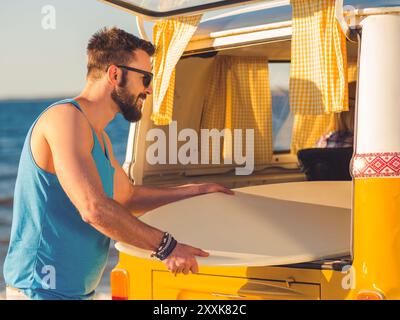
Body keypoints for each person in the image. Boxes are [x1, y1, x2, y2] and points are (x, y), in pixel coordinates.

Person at [3, 27, 234, 300]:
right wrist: (167, 247)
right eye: (145, 78)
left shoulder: (100, 138)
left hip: (77, 292)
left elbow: (127, 198)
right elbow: (94, 208)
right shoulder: (64, 119)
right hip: (39, 291)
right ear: (115, 74)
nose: (148, 89)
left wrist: (195, 191)